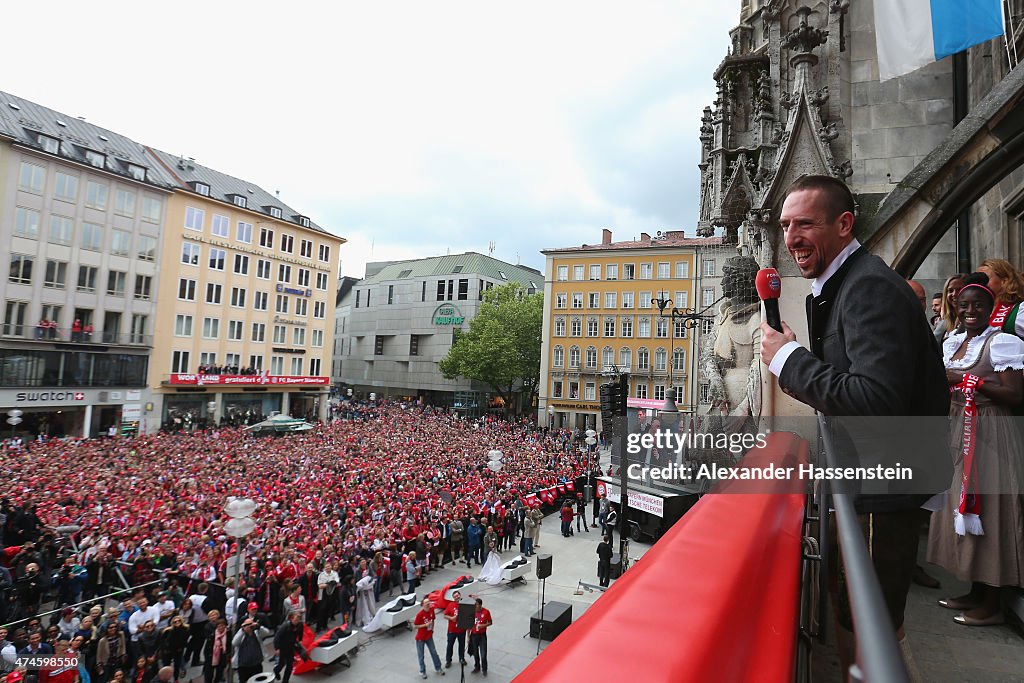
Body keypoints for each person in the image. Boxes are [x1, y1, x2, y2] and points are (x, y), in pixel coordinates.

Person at [759, 175, 951, 675]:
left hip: (881, 486)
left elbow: (876, 400)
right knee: (857, 614)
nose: (791, 237)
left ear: (845, 224)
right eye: (784, 225)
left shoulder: (867, 286)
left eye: (804, 223)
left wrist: (789, 361)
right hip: (869, 482)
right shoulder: (845, 284)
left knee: (872, 626)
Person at [926, 274, 1024, 625]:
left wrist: (968, 381)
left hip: (990, 433)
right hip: (958, 431)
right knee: (965, 509)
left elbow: (1015, 394)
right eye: (963, 305)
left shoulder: (1003, 343)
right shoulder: (953, 341)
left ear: (990, 308)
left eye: (977, 305)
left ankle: (993, 602)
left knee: (991, 512)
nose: (969, 311)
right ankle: (975, 590)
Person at [978, 258, 1024, 340]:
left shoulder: (1019, 311)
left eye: (985, 279)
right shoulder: (976, 311)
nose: (980, 283)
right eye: (978, 280)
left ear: (1004, 281)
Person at [411, 599, 444, 679]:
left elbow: (433, 620)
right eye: (426, 603)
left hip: (429, 636)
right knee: (421, 655)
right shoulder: (420, 614)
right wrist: (425, 625)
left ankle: (438, 667)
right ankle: (422, 671)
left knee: (434, 652)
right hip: (420, 638)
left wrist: (432, 629)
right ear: (423, 605)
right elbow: (415, 626)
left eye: (428, 602)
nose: (428, 604)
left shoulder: (431, 610)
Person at [231, 618, 269, 683]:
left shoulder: (257, 632)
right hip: (243, 665)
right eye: (247, 624)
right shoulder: (241, 633)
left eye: (251, 624)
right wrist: (243, 631)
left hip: (256, 664)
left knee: (258, 681)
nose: (249, 626)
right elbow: (234, 642)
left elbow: (267, 633)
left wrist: (259, 626)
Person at [271, 612, 305, 683]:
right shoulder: (285, 626)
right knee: (281, 664)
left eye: (298, 620)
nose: (296, 622)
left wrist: (300, 640)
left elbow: (300, 633)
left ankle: (285, 681)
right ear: (291, 619)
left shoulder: (300, 625)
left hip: (291, 647)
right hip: (283, 647)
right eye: (295, 620)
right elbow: (277, 637)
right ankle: (276, 671)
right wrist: (277, 648)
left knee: (290, 665)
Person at [935, 273, 968, 342]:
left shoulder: (973, 322)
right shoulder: (943, 323)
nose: (954, 294)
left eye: (959, 290)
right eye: (950, 291)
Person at [442, 590, 466, 670]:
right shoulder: (451, 605)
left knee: (462, 645)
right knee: (450, 646)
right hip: (452, 630)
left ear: (460, 595)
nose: (457, 597)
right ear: (453, 598)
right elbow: (445, 615)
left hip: (461, 630)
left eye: (458, 596)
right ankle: (448, 660)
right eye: (455, 596)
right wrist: (451, 618)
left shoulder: (464, 604)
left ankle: (461, 658)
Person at [468, 598, 491, 676]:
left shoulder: (486, 612)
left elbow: (490, 622)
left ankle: (484, 669)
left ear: (480, 605)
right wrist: (468, 637)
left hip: (482, 635)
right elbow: (468, 625)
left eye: (476, 605)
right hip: (474, 635)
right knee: (475, 653)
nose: (475, 606)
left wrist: (483, 625)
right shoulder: (472, 612)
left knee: (483, 653)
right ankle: (477, 667)